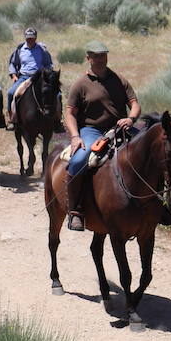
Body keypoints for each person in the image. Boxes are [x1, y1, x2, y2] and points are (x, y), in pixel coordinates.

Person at [62, 41, 141, 232]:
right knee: (79, 160)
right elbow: (70, 113)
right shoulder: (81, 84)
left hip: (120, 127)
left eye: (102, 55)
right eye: (95, 56)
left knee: (151, 150)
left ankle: (157, 204)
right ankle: (75, 210)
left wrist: (131, 119)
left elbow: (135, 104)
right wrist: (75, 136)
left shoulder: (119, 79)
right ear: (88, 58)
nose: (99, 59)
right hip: (92, 131)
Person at [5, 26, 55, 130]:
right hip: (24, 77)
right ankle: (12, 119)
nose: (30, 40)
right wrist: (14, 76)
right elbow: (13, 64)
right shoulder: (20, 49)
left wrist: (48, 74)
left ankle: (57, 120)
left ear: (36, 38)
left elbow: (48, 64)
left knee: (57, 94)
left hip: (40, 77)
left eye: (32, 38)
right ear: (25, 38)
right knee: (11, 93)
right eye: (28, 38)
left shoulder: (42, 50)